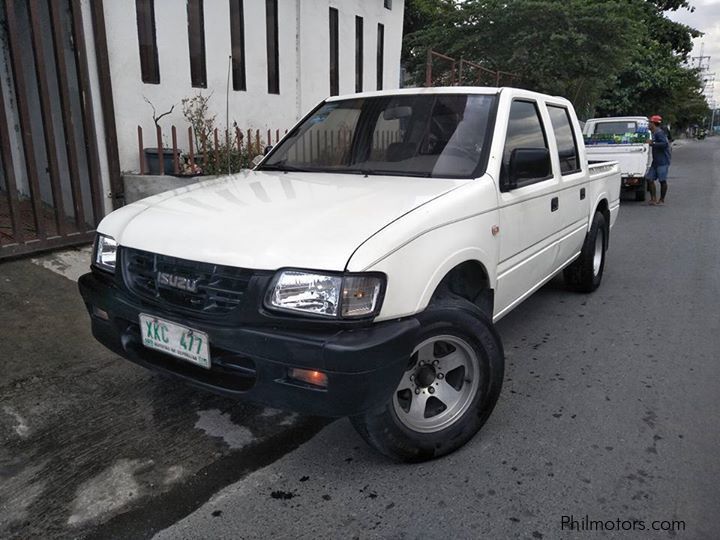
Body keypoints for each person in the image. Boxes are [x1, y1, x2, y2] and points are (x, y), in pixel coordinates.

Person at [646, 115, 671, 205]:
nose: (648, 124)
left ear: (653, 123)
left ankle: (661, 199)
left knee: (662, 180)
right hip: (656, 161)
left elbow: (664, 144)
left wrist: (652, 143)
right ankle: (653, 199)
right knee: (649, 178)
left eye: (650, 122)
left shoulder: (659, 133)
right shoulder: (653, 133)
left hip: (663, 161)